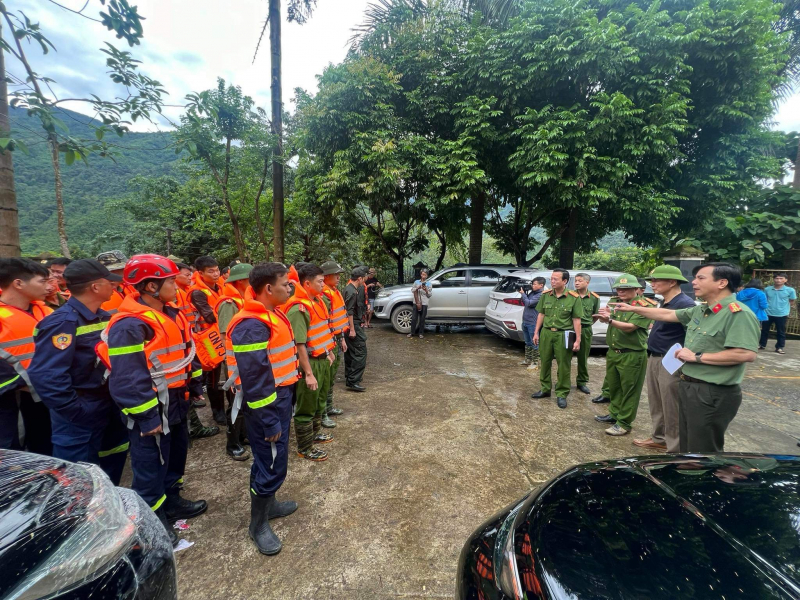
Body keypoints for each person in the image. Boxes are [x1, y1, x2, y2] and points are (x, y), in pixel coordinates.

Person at [99, 254, 207, 546]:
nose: (177, 285)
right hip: (151, 403)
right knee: (150, 464)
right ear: (150, 287)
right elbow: (128, 376)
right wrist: (147, 416)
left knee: (175, 455)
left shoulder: (172, 313)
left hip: (175, 398)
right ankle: (152, 521)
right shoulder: (130, 324)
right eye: (170, 280)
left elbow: (187, 352)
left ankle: (172, 499)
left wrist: (194, 383)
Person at [614, 263, 760, 452]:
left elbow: (745, 353)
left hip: (712, 390)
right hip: (690, 384)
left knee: (703, 449)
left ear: (722, 283)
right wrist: (632, 309)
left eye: (701, 278)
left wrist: (696, 356)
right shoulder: (702, 310)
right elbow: (667, 314)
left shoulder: (737, 313)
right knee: (687, 443)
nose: (694, 282)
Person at [28, 259, 129, 484]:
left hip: (109, 403)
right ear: (95, 287)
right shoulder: (61, 323)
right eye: (109, 283)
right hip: (81, 409)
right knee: (79, 477)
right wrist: (74, 410)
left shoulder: (105, 317)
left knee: (113, 458)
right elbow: (46, 374)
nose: (114, 287)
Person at [225, 263, 300, 555]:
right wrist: (270, 421)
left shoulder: (270, 314)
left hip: (279, 398)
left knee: (272, 458)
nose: (290, 288)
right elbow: (255, 381)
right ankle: (257, 525)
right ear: (268, 288)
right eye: (285, 284)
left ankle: (270, 504)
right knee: (270, 460)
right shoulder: (251, 325)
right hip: (265, 404)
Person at [630, 265, 695, 451]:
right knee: (656, 401)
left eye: (657, 280)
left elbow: (691, 337)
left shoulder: (685, 304)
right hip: (655, 357)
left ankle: (675, 448)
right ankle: (659, 437)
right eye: (652, 280)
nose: (653, 284)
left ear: (672, 282)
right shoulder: (664, 301)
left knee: (671, 405)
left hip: (671, 361)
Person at [0, 258, 53, 454]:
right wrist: (19, 384)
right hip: (13, 398)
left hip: (52, 394)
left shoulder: (45, 311)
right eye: (43, 281)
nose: (50, 286)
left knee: (48, 448)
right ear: (18, 284)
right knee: (15, 452)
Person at [284, 263, 336, 461]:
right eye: (320, 281)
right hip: (310, 363)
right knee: (306, 406)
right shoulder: (298, 308)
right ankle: (305, 447)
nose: (324, 284)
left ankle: (314, 435)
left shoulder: (317, 301)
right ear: (307, 283)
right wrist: (308, 373)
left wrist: (329, 352)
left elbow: (321, 331)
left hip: (323, 359)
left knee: (319, 402)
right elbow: (299, 345)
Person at [592, 274, 654, 436]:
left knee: (629, 390)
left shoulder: (644, 306)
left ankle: (624, 422)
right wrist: (606, 315)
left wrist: (609, 320)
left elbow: (630, 327)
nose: (621, 291)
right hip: (614, 352)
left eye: (625, 289)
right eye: (619, 288)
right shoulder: (616, 303)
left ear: (636, 289)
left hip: (631, 354)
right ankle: (614, 414)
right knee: (614, 386)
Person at [216, 262, 253, 461]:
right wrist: (233, 365)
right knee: (236, 402)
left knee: (245, 401)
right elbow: (225, 335)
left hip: (244, 360)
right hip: (234, 362)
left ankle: (243, 435)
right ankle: (232, 444)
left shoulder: (241, 300)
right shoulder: (229, 303)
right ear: (240, 281)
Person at [531, 268, 583, 409]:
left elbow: (576, 320)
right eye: (551, 279)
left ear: (564, 281)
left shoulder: (573, 297)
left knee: (564, 365)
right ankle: (545, 389)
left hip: (564, 334)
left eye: (556, 279)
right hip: (547, 333)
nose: (552, 281)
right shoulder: (546, 295)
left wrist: (578, 340)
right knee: (545, 362)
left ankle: (561, 393)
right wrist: (536, 332)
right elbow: (541, 314)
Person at [189, 256, 226, 425]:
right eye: (210, 271)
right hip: (208, 339)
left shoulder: (220, 288)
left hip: (222, 335)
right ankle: (217, 412)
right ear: (200, 273)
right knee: (213, 375)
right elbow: (209, 316)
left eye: (217, 269)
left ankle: (222, 408)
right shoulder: (197, 292)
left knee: (224, 373)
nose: (216, 273)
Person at [320, 261, 349, 428]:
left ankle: (329, 407)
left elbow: (338, 321)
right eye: (335, 274)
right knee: (325, 380)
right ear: (326, 277)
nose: (338, 277)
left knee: (331, 378)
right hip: (328, 343)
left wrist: (342, 338)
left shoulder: (334, 292)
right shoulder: (324, 295)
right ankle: (322, 413)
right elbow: (325, 322)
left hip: (336, 340)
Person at [573, 273, 600, 391]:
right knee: (564, 356)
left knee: (583, 357)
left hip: (585, 329)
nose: (577, 283)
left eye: (580, 281)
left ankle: (582, 382)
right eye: (575, 281)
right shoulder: (571, 295)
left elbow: (595, 315)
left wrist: (586, 324)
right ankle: (562, 381)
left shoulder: (594, 298)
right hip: (569, 329)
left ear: (587, 282)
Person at [344, 267, 368, 392]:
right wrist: (352, 329)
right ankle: (353, 380)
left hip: (350, 325)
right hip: (353, 325)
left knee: (351, 351)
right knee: (360, 352)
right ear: (360, 278)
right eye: (364, 278)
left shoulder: (349, 288)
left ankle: (350, 377)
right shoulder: (352, 291)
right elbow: (350, 312)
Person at [760, 273, 796, 354]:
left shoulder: (790, 290)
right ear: (774, 279)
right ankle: (762, 344)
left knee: (781, 331)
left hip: (782, 314)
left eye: (781, 278)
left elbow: (792, 301)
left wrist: (784, 308)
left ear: (785, 280)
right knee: (764, 330)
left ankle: (779, 347)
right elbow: (765, 300)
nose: (778, 280)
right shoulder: (767, 289)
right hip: (768, 313)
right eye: (777, 278)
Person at [518, 276, 545, 366]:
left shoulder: (540, 295)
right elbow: (525, 302)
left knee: (535, 343)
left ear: (541, 285)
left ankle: (535, 362)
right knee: (527, 342)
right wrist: (523, 293)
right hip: (526, 321)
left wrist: (523, 293)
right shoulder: (532, 293)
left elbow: (529, 303)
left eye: (534, 284)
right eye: (532, 284)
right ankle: (528, 360)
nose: (532, 286)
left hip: (533, 322)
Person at [96, 251, 133, 315]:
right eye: (123, 268)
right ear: (113, 271)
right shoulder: (96, 294)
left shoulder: (126, 286)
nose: (127, 270)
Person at [409, 269, 432, 339]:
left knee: (422, 319)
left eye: (425, 275)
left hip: (424, 303)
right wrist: (417, 287)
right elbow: (412, 290)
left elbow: (429, 295)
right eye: (422, 274)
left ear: (427, 275)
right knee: (414, 318)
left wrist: (426, 290)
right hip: (416, 302)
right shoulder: (416, 282)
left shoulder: (429, 284)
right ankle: (412, 332)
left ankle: (421, 333)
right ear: (420, 274)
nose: (423, 276)